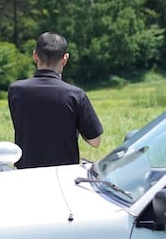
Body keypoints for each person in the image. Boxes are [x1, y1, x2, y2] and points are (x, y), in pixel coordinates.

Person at [8, 31, 103, 170]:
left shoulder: (16, 90)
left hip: (26, 174)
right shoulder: (75, 95)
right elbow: (95, 141)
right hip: (62, 175)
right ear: (65, 59)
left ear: (35, 56)